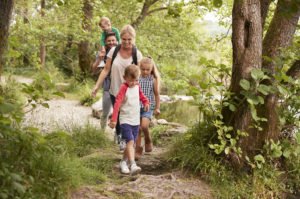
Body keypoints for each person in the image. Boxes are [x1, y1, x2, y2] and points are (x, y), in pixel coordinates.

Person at [92, 25, 143, 149]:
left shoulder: (137, 54)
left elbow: (139, 74)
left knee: (125, 115)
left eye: (129, 39)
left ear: (133, 39)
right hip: (115, 90)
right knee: (118, 114)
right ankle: (120, 138)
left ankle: (125, 139)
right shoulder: (113, 51)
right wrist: (97, 86)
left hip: (130, 92)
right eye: (124, 39)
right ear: (121, 38)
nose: (126, 42)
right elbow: (105, 70)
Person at [109, 64, 149, 175]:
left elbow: (142, 96)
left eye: (135, 80)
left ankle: (123, 162)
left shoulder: (137, 86)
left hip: (135, 120)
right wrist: (113, 119)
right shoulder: (123, 88)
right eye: (131, 80)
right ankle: (133, 164)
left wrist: (146, 102)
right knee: (130, 141)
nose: (133, 83)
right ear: (124, 77)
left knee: (132, 143)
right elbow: (117, 104)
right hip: (125, 119)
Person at [135, 57, 161, 159]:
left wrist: (157, 108)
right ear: (139, 68)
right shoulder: (136, 78)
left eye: (148, 69)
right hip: (136, 107)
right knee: (137, 129)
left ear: (151, 69)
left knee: (144, 126)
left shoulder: (153, 80)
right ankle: (137, 149)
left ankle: (148, 139)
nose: (145, 71)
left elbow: (157, 94)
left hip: (147, 107)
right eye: (143, 69)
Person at [91, 32, 118, 129]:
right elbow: (94, 70)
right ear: (105, 42)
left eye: (113, 40)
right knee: (105, 113)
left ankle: (117, 136)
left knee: (118, 113)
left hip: (120, 86)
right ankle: (102, 133)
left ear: (117, 41)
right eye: (109, 41)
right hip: (107, 86)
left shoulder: (121, 52)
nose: (111, 42)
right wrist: (99, 59)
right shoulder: (101, 53)